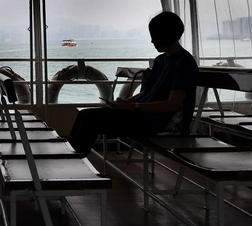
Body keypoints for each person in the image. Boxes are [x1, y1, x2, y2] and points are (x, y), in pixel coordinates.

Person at [69, 11, 198, 154]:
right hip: (145, 116)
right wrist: (126, 103)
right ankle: (74, 160)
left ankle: (74, 161)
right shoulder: (160, 61)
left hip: (161, 122)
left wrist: (134, 106)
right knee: (85, 116)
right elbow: (147, 93)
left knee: (89, 118)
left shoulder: (184, 63)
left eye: (155, 36)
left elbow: (172, 104)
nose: (152, 41)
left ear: (166, 35)